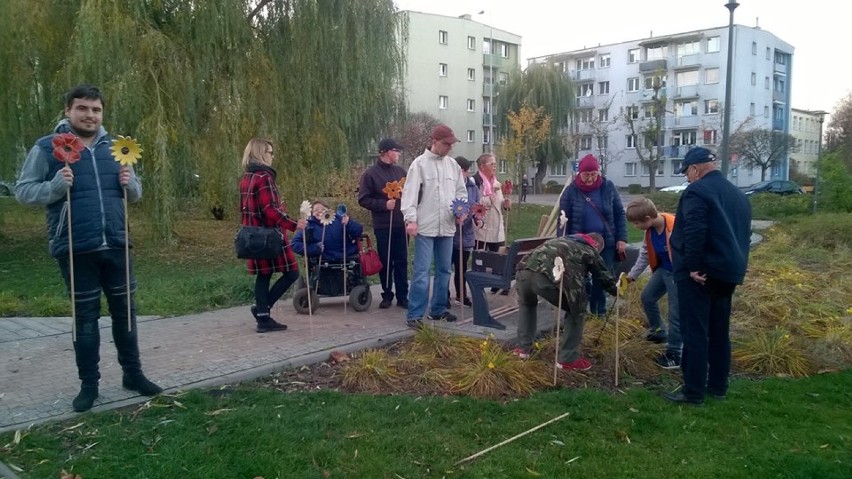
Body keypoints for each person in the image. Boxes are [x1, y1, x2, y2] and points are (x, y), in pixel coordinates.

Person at [15, 84, 162, 412]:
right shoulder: (48, 147)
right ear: (68, 110)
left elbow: (135, 194)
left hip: (117, 243)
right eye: (83, 108)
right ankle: (89, 385)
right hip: (75, 246)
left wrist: (131, 184)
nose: (90, 115)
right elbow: (23, 191)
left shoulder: (118, 148)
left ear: (102, 113)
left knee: (126, 315)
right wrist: (54, 186)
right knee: (85, 318)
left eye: (96, 110)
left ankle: (133, 375)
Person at [664, 147, 752, 405]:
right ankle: (718, 386)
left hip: (700, 274)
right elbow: (744, 235)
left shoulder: (697, 191)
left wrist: (692, 266)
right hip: (728, 272)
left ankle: (692, 392)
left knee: (695, 331)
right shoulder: (738, 195)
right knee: (719, 332)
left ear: (695, 169)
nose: (687, 178)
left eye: (687, 173)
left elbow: (694, 230)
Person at [513, 233, 618, 370]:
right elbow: (603, 276)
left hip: (523, 273)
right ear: (596, 245)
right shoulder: (589, 249)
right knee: (577, 310)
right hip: (547, 278)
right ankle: (568, 359)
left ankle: (523, 349)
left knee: (527, 305)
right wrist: (617, 291)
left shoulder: (562, 240)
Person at [400, 124, 467, 329]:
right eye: (446, 144)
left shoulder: (453, 166)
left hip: (447, 226)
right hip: (425, 226)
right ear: (435, 141)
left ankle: (437, 309)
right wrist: (410, 219)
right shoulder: (418, 165)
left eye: (451, 144)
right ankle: (415, 314)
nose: (449, 148)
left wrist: (461, 211)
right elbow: (409, 194)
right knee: (421, 271)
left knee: (445, 270)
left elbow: (460, 193)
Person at [238, 138, 306, 334]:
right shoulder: (264, 177)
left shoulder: (246, 178)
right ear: (260, 153)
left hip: (253, 236)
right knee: (292, 272)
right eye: (270, 152)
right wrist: (294, 224)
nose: (272, 156)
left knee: (264, 274)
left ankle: (262, 316)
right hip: (269, 235)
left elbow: (251, 208)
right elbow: (270, 211)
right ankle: (263, 311)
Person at [558, 154, 627, 316]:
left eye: (593, 174)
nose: (590, 178)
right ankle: (578, 313)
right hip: (579, 244)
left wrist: (622, 238)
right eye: (586, 175)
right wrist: (562, 243)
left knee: (601, 279)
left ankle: (599, 314)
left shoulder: (608, 187)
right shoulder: (571, 191)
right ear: (579, 173)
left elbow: (619, 213)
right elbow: (562, 219)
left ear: (598, 172)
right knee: (579, 278)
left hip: (606, 243)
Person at [625, 197, 682, 369]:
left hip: (678, 273)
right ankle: (659, 332)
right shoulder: (649, 230)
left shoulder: (674, 227)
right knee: (648, 297)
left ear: (648, 219)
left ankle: (674, 354)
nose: (636, 227)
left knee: (675, 313)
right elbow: (644, 254)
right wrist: (631, 276)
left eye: (636, 223)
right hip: (663, 269)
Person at [358, 138, 408, 309]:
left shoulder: (401, 172)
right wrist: (383, 205)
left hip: (401, 224)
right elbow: (363, 199)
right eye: (397, 151)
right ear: (387, 152)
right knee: (386, 260)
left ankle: (403, 296)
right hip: (383, 224)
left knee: (401, 260)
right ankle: (387, 294)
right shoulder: (371, 174)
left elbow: (411, 193)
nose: (399, 154)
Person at [450, 156, 480, 307]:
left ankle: (461, 295)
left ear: (466, 172)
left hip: (465, 234)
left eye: (462, 171)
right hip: (449, 233)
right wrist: (455, 216)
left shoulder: (473, 188)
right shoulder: (449, 185)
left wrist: (477, 217)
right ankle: (443, 295)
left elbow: (476, 206)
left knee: (461, 267)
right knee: (445, 268)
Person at [291, 200, 364, 262]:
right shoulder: (308, 225)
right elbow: (295, 244)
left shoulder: (340, 219)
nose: (320, 211)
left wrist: (349, 223)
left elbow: (358, 232)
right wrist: (314, 248)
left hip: (346, 255)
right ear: (312, 214)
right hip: (322, 259)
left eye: (323, 209)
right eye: (316, 210)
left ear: (329, 211)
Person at [473, 153, 510, 252]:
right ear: (482, 167)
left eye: (495, 164)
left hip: (497, 231)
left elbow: (498, 201)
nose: (495, 167)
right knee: (481, 261)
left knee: (498, 261)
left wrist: (504, 204)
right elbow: (473, 203)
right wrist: (489, 200)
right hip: (482, 230)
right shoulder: (475, 182)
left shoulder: (495, 181)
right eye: (492, 164)